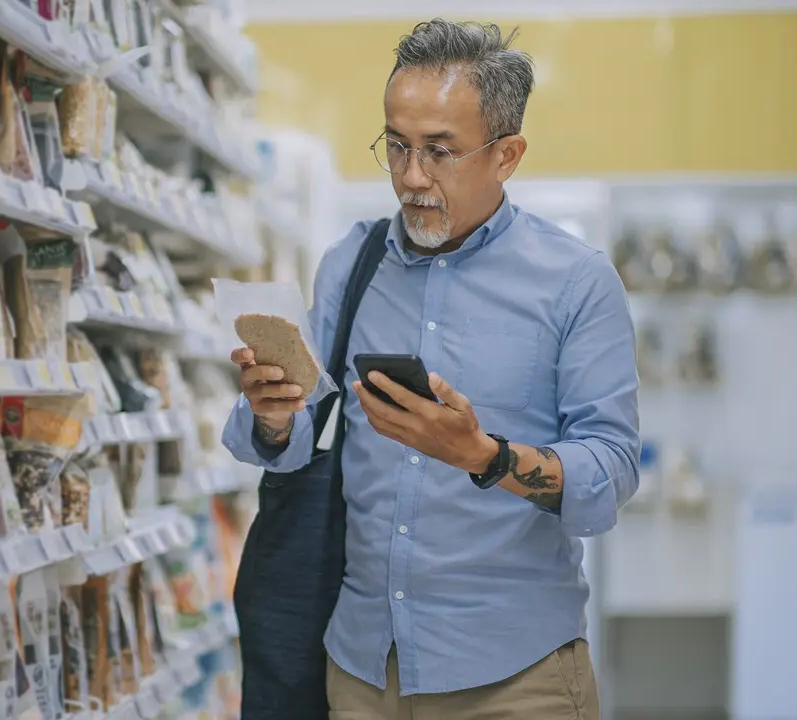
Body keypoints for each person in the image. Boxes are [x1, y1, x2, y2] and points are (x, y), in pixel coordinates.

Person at [221, 19, 639, 720]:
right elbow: (297, 440)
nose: (412, 177)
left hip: (515, 679)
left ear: (506, 155)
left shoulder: (576, 283)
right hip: (361, 670)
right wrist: (272, 417)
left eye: (441, 152)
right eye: (398, 146)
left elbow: (611, 475)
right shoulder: (352, 264)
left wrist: (482, 455)